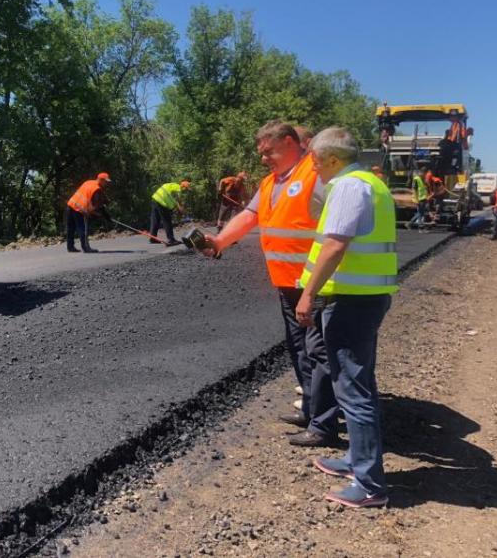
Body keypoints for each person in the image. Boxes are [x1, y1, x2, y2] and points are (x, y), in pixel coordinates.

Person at [202, 121, 340, 448]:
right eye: (261, 153)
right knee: (298, 348)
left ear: (291, 142)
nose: (263, 158)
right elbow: (250, 216)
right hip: (286, 283)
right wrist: (220, 241)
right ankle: (310, 407)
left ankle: (324, 424)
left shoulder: (315, 173)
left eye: (269, 151)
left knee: (319, 351)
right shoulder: (270, 182)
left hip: (316, 284)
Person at [295, 126, 397, 509]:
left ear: (332, 159)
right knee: (358, 384)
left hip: (352, 301)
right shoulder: (369, 183)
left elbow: (335, 244)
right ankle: (355, 461)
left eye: (316, 162)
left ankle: (370, 485)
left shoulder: (349, 186)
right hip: (364, 298)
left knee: (354, 392)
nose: (314, 169)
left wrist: (308, 294)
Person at [66, 173, 112, 253]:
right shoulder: (97, 189)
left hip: (71, 204)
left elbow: (89, 196)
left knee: (71, 228)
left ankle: (70, 247)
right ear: (101, 180)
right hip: (79, 209)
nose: (107, 184)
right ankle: (86, 248)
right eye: (106, 181)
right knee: (82, 229)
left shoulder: (88, 182)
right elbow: (96, 204)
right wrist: (103, 214)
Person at [150, 180, 191, 246]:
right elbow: (174, 201)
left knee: (155, 220)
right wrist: (178, 208)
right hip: (161, 202)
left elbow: (174, 201)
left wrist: (177, 207)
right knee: (167, 221)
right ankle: (171, 240)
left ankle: (153, 238)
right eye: (186, 189)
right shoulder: (177, 189)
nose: (186, 191)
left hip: (155, 199)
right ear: (183, 187)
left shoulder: (172, 185)